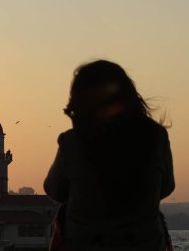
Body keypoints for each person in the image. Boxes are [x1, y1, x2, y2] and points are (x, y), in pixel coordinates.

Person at [44, 60, 175, 251]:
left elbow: (55, 190)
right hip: (144, 243)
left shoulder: (72, 142)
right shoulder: (156, 136)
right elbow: (167, 188)